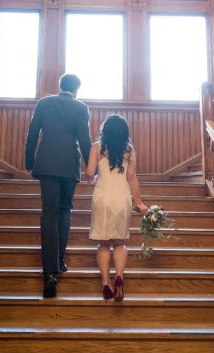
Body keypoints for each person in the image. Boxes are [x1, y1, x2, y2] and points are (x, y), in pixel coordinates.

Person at [24, 74, 92, 298]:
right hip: (68, 166)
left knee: (49, 214)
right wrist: (92, 168)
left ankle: (49, 273)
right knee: (65, 212)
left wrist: (30, 162)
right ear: (76, 89)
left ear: (60, 86)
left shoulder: (44, 103)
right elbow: (84, 140)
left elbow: (32, 133)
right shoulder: (81, 108)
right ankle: (59, 261)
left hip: (47, 164)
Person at [85, 115, 148, 302]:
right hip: (121, 199)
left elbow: (89, 173)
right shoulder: (129, 150)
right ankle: (119, 276)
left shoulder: (97, 147)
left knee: (103, 243)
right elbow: (131, 177)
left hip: (102, 198)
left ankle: (105, 282)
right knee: (120, 243)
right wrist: (139, 202)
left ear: (105, 130)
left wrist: (92, 178)